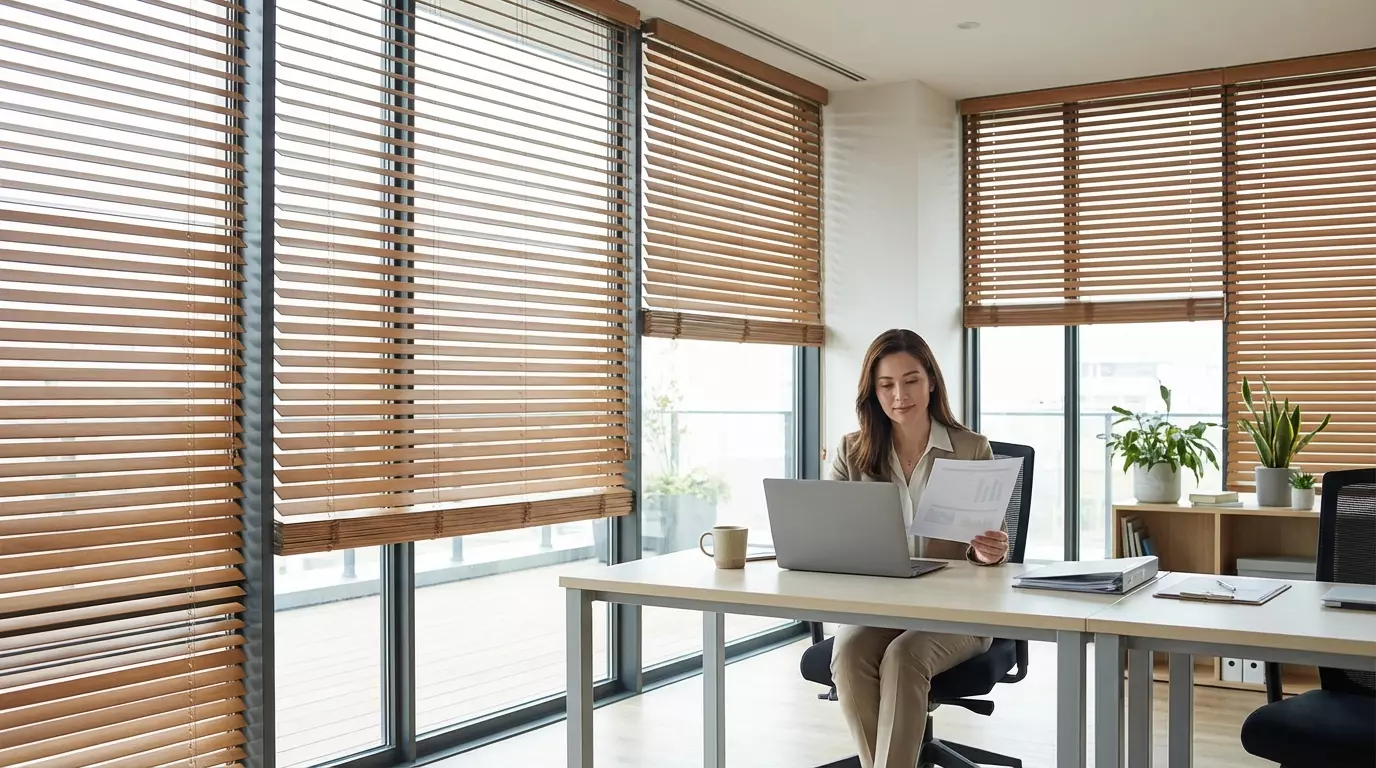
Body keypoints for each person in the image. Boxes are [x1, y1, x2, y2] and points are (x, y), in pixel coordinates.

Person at [828, 328, 1010, 768]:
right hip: (882, 607)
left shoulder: (970, 449)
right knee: (849, 654)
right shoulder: (852, 452)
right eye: (886, 385)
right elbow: (830, 534)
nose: (899, 395)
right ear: (873, 392)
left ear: (931, 381)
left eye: (910, 381)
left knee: (905, 656)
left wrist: (989, 550)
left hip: (958, 612)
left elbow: (992, 547)